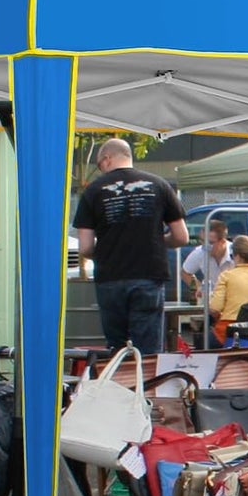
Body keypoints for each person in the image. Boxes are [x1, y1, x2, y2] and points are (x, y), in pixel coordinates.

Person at [72, 138, 188, 355]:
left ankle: (120, 385)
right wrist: (153, 241)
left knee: (117, 349)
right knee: (148, 351)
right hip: (148, 275)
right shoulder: (160, 185)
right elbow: (181, 237)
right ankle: (146, 387)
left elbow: (85, 248)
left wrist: (109, 250)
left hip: (110, 278)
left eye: (99, 165)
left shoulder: (93, 191)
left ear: (106, 159)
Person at [206, 234, 248, 346]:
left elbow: (214, 308)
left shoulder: (227, 276)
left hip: (228, 331)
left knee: (204, 340)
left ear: (238, 256)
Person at [181, 219, 233, 301]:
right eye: (202, 241)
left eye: (210, 242)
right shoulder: (200, 252)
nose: (205, 246)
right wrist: (199, 288)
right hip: (212, 301)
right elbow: (185, 273)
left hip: (233, 299)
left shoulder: (235, 253)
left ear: (222, 242)